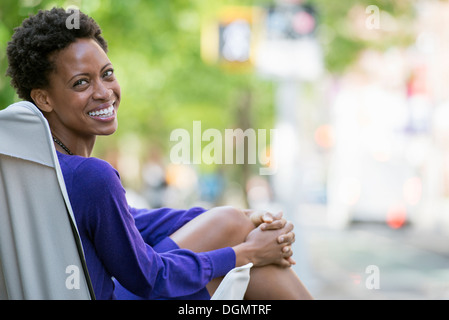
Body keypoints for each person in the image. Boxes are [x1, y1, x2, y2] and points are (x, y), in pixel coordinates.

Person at [6, 7, 313, 300]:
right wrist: (247, 252)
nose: (103, 92)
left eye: (107, 73)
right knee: (245, 253)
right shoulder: (90, 176)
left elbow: (129, 221)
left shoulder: (37, 173)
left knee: (233, 223)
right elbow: (148, 278)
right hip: (137, 288)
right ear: (43, 98)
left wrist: (245, 219)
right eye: (81, 82)